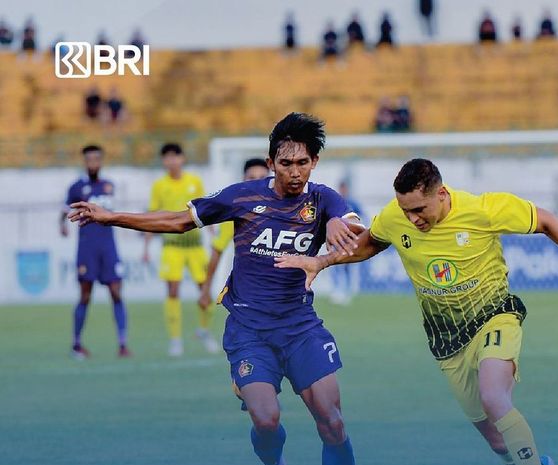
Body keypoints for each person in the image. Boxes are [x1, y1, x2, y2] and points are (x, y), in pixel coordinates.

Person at [275, 158, 558, 465]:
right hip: (447, 338)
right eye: (406, 210)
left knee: (494, 397)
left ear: (442, 194)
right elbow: (371, 242)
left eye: (420, 209)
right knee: (497, 441)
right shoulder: (395, 216)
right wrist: (321, 262)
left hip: (495, 315)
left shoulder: (482, 209)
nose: (413, 218)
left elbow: (547, 220)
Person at [69, 112, 362, 465]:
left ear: (315, 161)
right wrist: (110, 216)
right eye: (286, 163)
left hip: (300, 326)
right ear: (271, 162)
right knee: (267, 421)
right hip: (249, 330)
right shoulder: (241, 197)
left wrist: (336, 224)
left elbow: (355, 231)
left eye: (303, 162)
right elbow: (178, 221)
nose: (295, 172)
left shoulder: (324, 200)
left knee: (332, 422)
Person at [199, 157, 270, 412]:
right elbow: (217, 253)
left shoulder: (287, 214)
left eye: (262, 177)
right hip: (246, 303)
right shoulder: (237, 215)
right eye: (251, 178)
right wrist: (206, 289)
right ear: (243, 181)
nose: (257, 183)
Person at [144, 143, 218, 356]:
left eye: (175, 156)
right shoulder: (159, 186)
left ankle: (204, 330)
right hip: (172, 246)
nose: (171, 161)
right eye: (167, 157)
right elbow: (152, 215)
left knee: (204, 289)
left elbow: (206, 209)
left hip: (195, 246)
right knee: (173, 291)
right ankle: (175, 339)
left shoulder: (194, 182)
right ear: (163, 161)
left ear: (182, 158)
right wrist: (147, 246)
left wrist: (212, 234)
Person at [60, 145, 130, 360]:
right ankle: (76, 343)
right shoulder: (76, 187)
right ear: (84, 162)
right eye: (89, 159)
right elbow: (64, 210)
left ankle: (122, 343)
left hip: (108, 247)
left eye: (96, 159)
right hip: (87, 247)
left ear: (101, 161)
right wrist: (61, 224)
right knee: (85, 295)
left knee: (116, 292)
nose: (93, 163)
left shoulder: (109, 186)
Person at [330, 180, 363, 305]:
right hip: (338, 239)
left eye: (344, 188)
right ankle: (337, 290)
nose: (343, 191)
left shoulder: (353, 203)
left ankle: (347, 291)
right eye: (341, 188)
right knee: (336, 265)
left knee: (348, 266)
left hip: (350, 240)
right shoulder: (335, 202)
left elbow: (361, 218)